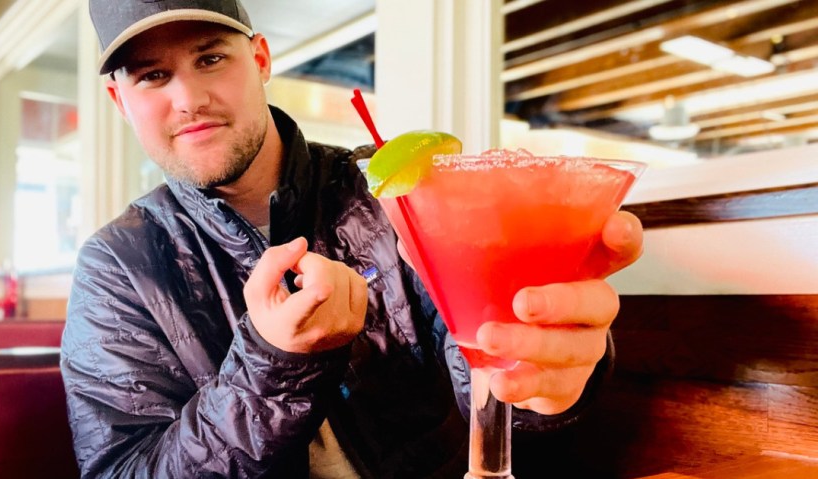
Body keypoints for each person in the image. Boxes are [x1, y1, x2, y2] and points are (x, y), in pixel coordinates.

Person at [60, 1, 645, 478]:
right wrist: (271, 363)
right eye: (152, 76)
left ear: (260, 59)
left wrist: (548, 377)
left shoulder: (394, 192)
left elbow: (496, 381)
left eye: (211, 58)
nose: (188, 99)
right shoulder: (117, 267)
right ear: (120, 101)